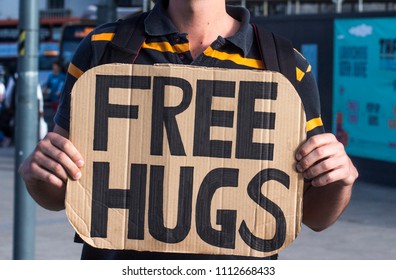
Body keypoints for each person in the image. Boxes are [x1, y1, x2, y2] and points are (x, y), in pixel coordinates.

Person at [19, 0, 358, 260]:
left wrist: (341, 179)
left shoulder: (286, 65)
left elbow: (314, 216)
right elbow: (61, 192)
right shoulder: (103, 48)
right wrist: (38, 175)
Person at [42, 61, 65, 130]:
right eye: (53, 67)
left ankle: (57, 127)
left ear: (58, 68)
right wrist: (43, 93)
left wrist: (59, 92)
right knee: (54, 114)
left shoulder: (62, 76)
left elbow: (63, 85)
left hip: (60, 99)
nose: (54, 68)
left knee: (58, 113)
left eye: (55, 67)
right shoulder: (51, 76)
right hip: (53, 98)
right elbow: (47, 85)